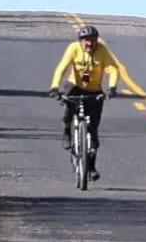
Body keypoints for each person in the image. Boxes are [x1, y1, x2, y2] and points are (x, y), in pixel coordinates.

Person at [46, 23, 119, 180]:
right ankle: (67, 132)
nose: (89, 43)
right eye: (85, 40)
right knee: (67, 112)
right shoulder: (73, 48)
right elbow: (62, 68)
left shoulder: (102, 50)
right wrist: (54, 87)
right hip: (75, 86)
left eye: (92, 40)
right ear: (80, 41)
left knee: (93, 132)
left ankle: (91, 167)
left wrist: (112, 88)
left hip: (94, 90)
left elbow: (113, 69)